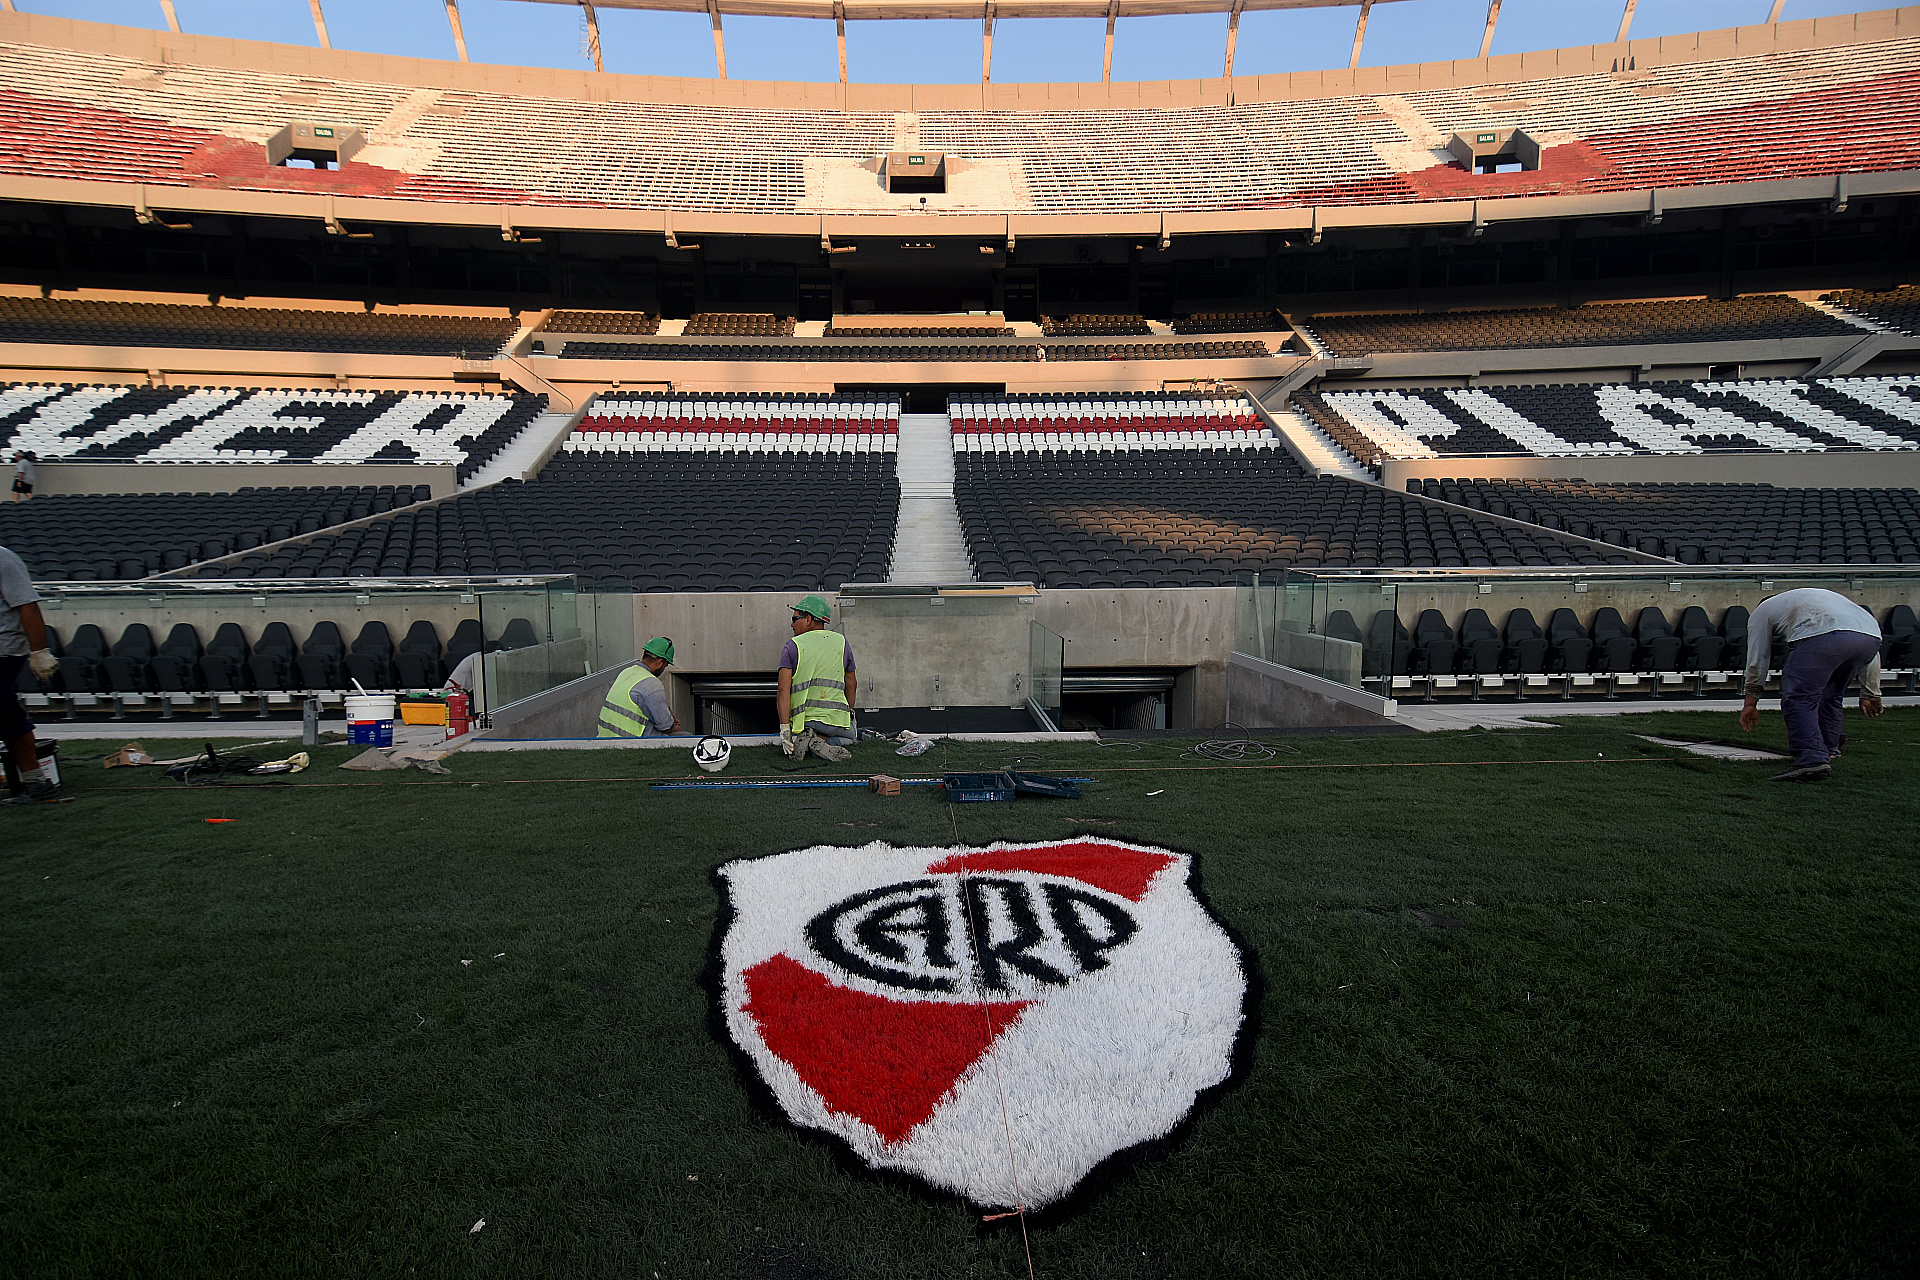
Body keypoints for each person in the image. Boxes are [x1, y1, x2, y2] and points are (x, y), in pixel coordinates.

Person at [1739, 587, 1884, 782]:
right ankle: (1829, 748)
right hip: (1870, 636)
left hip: (1822, 633)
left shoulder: (1762, 611)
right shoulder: (1818, 598)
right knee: (1830, 695)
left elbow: (1758, 658)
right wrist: (1870, 692)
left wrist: (1751, 702)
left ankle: (1811, 758)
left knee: (1798, 697)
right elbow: (1863, 641)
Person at [1, 542, 61, 804]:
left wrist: (40, 651)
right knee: (9, 720)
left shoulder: (3, 558)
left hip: (3, 650)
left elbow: (28, 605)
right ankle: (37, 783)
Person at [778, 594, 855, 763]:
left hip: (805, 722)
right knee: (852, 738)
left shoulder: (793, 645)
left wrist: (785, 730)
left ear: (808, 620)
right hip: (836, 721)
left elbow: (783, 689)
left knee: (801, 733)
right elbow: (852, 682)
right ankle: (822, 742)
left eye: (795, 618)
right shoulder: (841, 642)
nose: (792, 624)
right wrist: (848, 714)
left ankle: (810, 739)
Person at [597, 637, 682, 738]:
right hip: (631, 745)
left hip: (605, 739)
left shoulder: (626, 672)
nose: (664, 668)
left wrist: (667, 712)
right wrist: (673, 725)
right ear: (659, 663)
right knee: (685, 736)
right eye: (665, 665)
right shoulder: (652, 684)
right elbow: (665, 726)